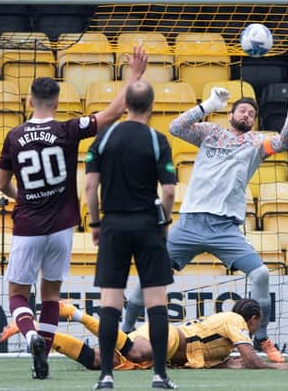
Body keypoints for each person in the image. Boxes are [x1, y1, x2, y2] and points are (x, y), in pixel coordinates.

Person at [122, 84, 288, 363]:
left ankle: (262, 338)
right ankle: (123, 335)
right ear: (231, 114)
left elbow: (283, 142)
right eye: (242, 110)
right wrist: (207, 105)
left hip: (225, 229)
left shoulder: (256, 144)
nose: (246, 115)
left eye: (251, 113)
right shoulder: (210, 133)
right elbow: (176, 127)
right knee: (148, 277)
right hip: (190, 224)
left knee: (260, 275)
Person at [0, 46, 148, 381]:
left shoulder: (14, 136)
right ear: (57, 100)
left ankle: (31, 336)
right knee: (51, 295)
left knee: (18, 294)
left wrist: (23, 197)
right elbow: (110, 114)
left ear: (28, 101)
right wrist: (133, 76)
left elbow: (2, 183)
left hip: (27, 225)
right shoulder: (67, 129)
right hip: (62, 227)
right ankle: (44, 354)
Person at [85, 78, 177, 389]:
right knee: (156, 302)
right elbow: (168, 191)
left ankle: (106, 376)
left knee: (110, 302)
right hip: (147, 225)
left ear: (125, 104)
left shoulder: (103, 138)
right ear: (151, 106)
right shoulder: (156, 139)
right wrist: (163, 222)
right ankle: (160, 375)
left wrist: (96, 223)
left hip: (113, 226)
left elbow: (89, 187)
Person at [0, 298, 288, 371]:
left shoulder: (226, 343)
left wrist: (237, 364)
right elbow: (251, 359)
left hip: (166, 353)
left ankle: (36, 331)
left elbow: (229, 362)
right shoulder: (234, 319)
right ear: (252, 318)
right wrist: (273, 367)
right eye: (257, 325)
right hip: (171, 338)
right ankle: (74, 313)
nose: (254, 330)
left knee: (100, 362)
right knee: (138, 351)